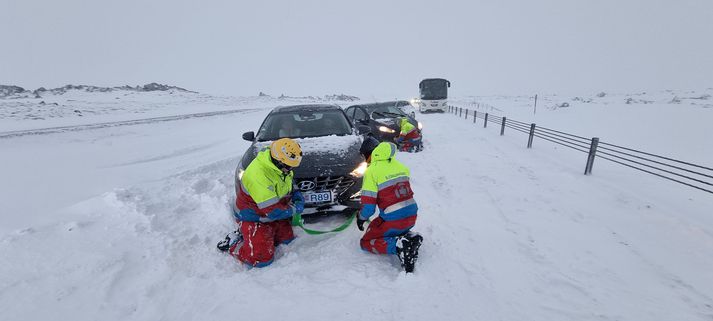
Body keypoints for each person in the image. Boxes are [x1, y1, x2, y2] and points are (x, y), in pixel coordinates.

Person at [217, 138, 305, 268]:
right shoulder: (259, 175)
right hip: (254, 216)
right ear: (279, 161)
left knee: (287, 239)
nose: (290, 169)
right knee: (261, 259)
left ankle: (261, 236)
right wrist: (295, 209)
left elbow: (286, 180)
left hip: (271, 212)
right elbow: (273, 211)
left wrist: (295, 192)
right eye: (288, 166)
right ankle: (234, 243)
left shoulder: (278, 165)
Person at [356, 136, 423, 273]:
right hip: (411, 216)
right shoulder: (400, 166)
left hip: (394, 219)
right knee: (379, 225)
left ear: (369, 154)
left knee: (365, 242)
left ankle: (399, 247)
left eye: (364, 156)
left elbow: (368, 209)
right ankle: (408, 236)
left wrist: (361, 218)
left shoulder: (372, 171)